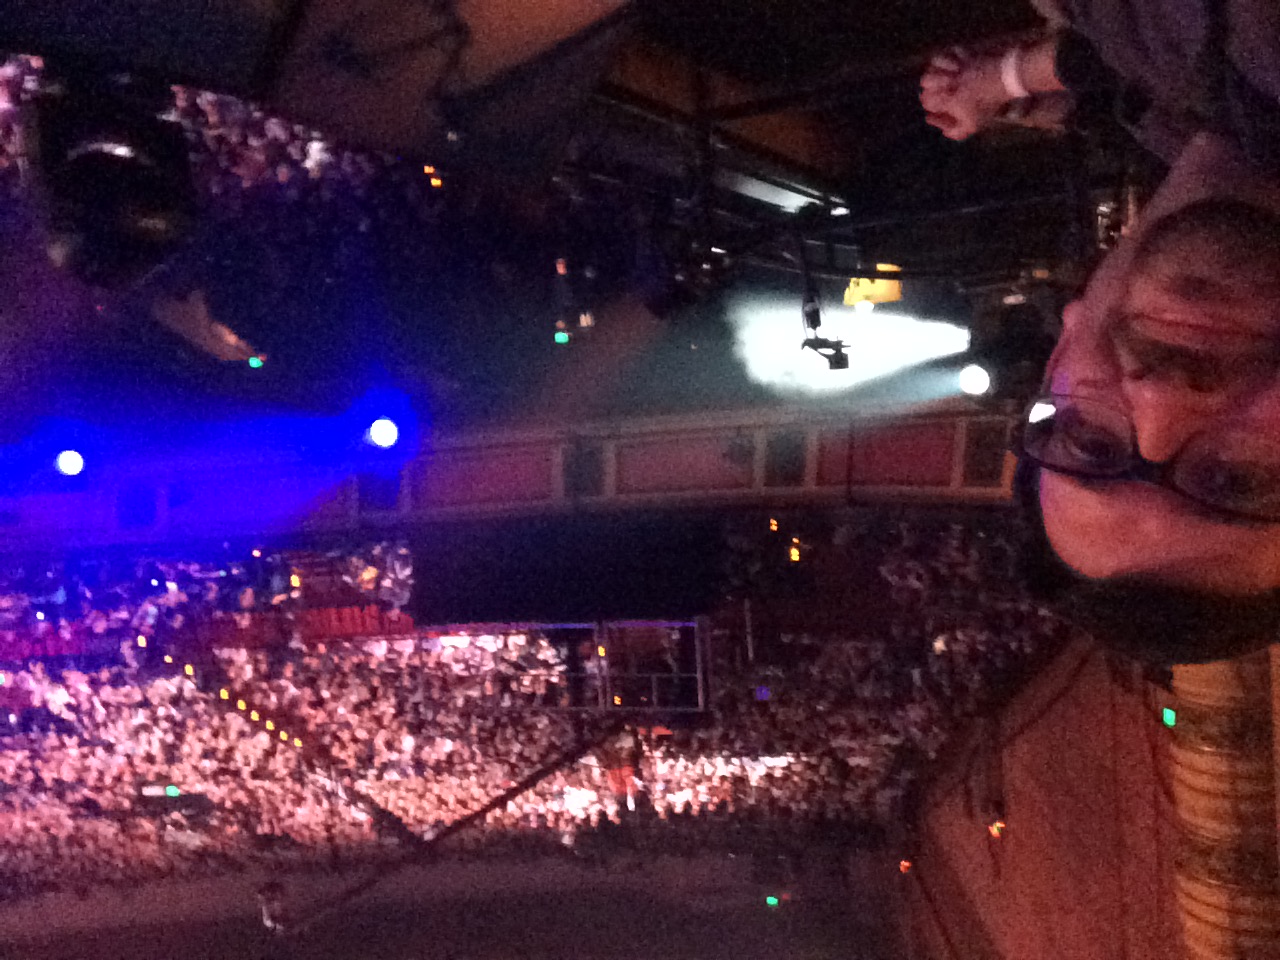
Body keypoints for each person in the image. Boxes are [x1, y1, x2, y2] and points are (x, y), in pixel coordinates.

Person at [920, 4, 1280, 662]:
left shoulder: (1200, 122)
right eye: (1238, 483)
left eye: (1089, 441)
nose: (1160, 398)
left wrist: (1012, 84)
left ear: (1063, 347)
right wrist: (1011, 77)